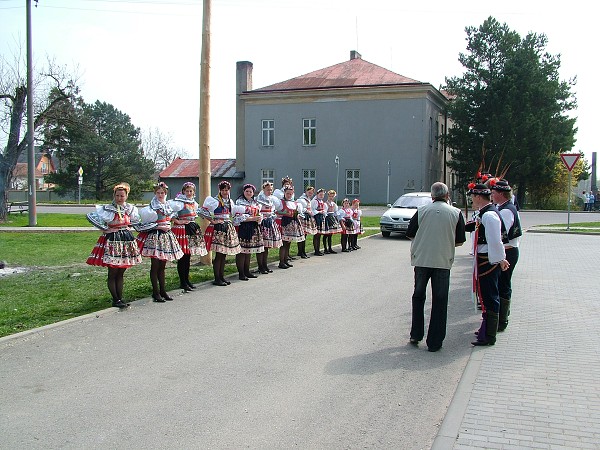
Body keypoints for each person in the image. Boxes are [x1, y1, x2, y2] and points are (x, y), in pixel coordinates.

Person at [405, 182, 466, 352]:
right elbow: (460, 240)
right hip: (443, 261)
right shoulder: (456, 213)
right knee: (440, 300)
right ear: (447, 196)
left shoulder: (422, 211)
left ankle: (416, 333)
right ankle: (435, 341)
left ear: (432, 196)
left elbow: (410, 233)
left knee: (418, 296)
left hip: (422, 259)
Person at [466, 183, 510, 346]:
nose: (471, 200)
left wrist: (500, 259)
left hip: (487, 261)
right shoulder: (484, 213)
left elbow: (495, 240)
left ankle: (489, 335)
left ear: (478, 197)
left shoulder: (489, 215)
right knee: (485, 296)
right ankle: (486, 330)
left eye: (472, 197)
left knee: (489, 296)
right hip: (484, 259)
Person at [86, 182, 143, 308]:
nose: (119, 198)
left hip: (126, 241)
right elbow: (93, 219)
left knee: (121, 271)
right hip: (113, 241)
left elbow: (136, 222)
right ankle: (115, 299)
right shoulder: (107, 209)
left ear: (126, 196)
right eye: (117, 195)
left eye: (122, 196)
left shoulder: (130, 209)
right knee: (113, 270)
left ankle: (120, 298)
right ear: (114, 195)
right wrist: (106, 229)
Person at [137, 182, 184, 302]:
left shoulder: (168, 205)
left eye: (162, 193)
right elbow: (146, 224)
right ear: (155, 193)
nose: (160, 195)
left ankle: (163, 290)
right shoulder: (151, 207)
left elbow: (171, 218)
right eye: (158, 193)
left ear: (165, 193)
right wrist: (158, 227)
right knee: (155, 265)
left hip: (166, 237)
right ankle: (155, 292)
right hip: (156, 237)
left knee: (163, 266)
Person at [491, 179, 522, 332]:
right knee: (502, 283)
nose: (492, 195)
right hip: (509, 250)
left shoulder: (506, 210)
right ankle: (502, 317)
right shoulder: (504, 207)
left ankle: (502, 320)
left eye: (494, 192)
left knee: (503, 284)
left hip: (508, 251)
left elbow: (501, 233)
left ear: (501, 194)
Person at [201, 180, 246, 286]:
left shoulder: (230, 201)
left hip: (227, 227)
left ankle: (221, 276)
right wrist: (212, 220)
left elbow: (234, 212)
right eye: (223, 190)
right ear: (220, 190)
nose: (225, 192)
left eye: (227, 190)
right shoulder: (215, 200)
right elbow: (202, 211)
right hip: (218, 228)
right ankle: (217, 278)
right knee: (219, 254)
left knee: (224, 254)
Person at [169, 182, 208, 292]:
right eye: (187, 191)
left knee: (188, 256)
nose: (189, 193)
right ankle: (182, 281)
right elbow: (171, 215)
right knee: (183, 257)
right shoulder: (179, 203)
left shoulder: (194, 203)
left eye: (191, 191)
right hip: (181, 230)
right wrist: (178, 221)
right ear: (183, 191)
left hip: (191, 228)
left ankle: (187, 280)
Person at [234, 184, 264, 280]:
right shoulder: (239, 202)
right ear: (243, 191)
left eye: (250, 192)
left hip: (253, 227)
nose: (248, 193)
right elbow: (237, 218)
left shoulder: (255, 202)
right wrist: (252, 218)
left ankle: (247, 271)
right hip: (244, 227)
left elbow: (259, 213)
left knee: (249, 250)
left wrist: (259, 218)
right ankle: (241, 273)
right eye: (247, 191)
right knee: (242, 251)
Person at [273, 184, 305, 269]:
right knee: (284, 244)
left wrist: (296, 215)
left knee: (288, 243)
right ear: (284, 193)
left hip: (292, 224)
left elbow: (296, 212)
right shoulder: (280, 202)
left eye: (291, 194)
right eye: (288, 193)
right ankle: (281, 262)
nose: (289, 195)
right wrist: (285, 213)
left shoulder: (294, 203)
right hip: (284, 224)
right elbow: (275, 212)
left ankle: (286, 260)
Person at [256, 182, 282, 274]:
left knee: (266, 246)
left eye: (271, 190)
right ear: (263, 189)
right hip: (262, 223)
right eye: (268, 190)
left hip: (269, 222)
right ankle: (260, 266)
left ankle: (265, 265)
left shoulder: (271, 199)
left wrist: (272, 215)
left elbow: (273, 210)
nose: (270, 191)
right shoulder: (259, 199)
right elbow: (257, 211)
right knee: (262, 246)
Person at [296, 186, 317, 259]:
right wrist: (307, 211)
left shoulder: (308, 199)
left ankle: (301, 251)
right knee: (302, 235)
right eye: (309, 192)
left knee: (304, 235)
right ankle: (301, 251)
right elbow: (300, 208)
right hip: (303, 218)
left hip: (307, 217)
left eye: (312, 193)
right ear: (306, 191)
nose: (310, 194)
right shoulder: (301, 199)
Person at [323, 189, 341, 253]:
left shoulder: (334, 204)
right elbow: (324, 212)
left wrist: (337, 218)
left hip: (332, 218)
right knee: (326, 234)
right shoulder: (325, 204)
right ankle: (325, 248)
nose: (331, 197)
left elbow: (336, 212)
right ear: (328, 196)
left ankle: (330, 248)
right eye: (330, 196)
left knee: (330, 234)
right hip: (327, 218)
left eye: (332, 196)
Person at [310, 188, 327, 256]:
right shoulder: (314, 201)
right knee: (316, 235)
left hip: (321, 217)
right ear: (317, 194)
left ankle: (318, 249)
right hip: (316, 218)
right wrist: (319, 211)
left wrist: (323, 212)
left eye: (322, 195)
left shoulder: (321, 201)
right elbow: (312, 210)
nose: (321, 196)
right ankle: (316, 250)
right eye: (320, 194)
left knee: (319, 234)